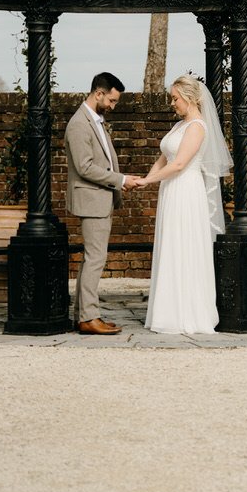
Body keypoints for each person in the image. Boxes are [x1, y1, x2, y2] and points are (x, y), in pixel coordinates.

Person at [138, 74, 231, 335]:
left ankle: (188, 314)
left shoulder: (197, 127)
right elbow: (164, 158)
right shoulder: (179, 127)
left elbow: (179, 164)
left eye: (175, 98)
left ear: (189, 98)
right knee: (171, 245)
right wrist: (146, 178)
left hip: (187, 192)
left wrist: (147, 183)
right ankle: (167, 311)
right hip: (171, 190)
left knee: (185, 247)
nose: (172, 103)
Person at [64, 71, 143, 335]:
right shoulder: (79, 124)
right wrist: (120, 180)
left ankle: (85, 315)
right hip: (91, 199)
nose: (112, 106)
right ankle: (88, 317)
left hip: (99, 198)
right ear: (99, 93)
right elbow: (85, 167)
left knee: (92, 259)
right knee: (95, 258)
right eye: (111, 100)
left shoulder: (95, 120)